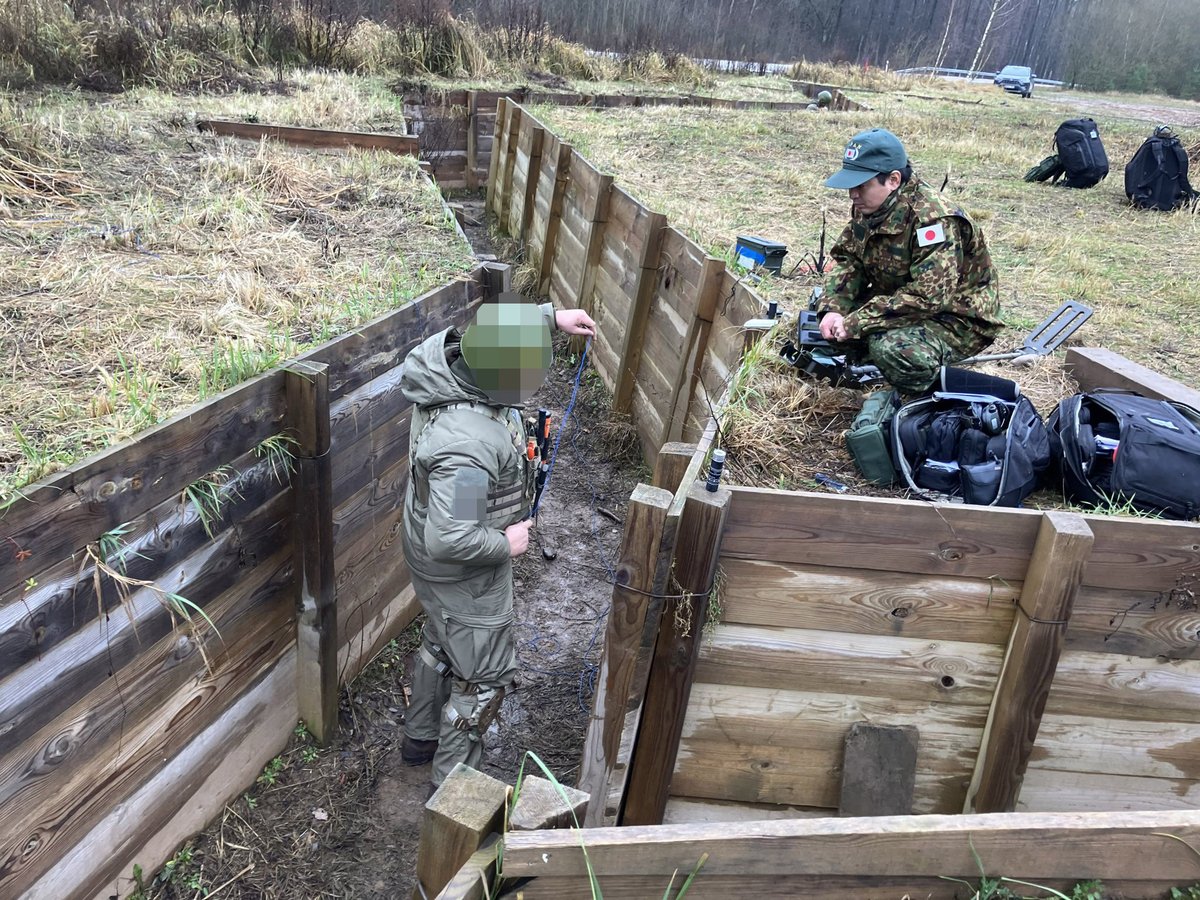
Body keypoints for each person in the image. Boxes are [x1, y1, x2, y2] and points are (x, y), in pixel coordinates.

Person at [398, 296, 596, 789]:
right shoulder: (470, 444)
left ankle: (419, 738)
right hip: (460, 573)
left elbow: (493, 324)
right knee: (483, 677)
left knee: (442, 640)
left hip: (431, 567)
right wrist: (505, 544)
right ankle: (453, 801)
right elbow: (452, 537)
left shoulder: (456, 363)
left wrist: (552, 318)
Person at [817, 128, 1002, 393]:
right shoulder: (870, 206)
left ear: (893, 180)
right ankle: (875, 361)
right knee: (820, 323)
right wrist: (834, 308)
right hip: (898, 301)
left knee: (892, 349)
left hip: (956, 318)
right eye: (850, 186)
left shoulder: (933, 221)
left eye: (861, 186)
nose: (852, 195)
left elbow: (929, 297)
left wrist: (857, 322)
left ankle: (919, 399)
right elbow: (849, 260)